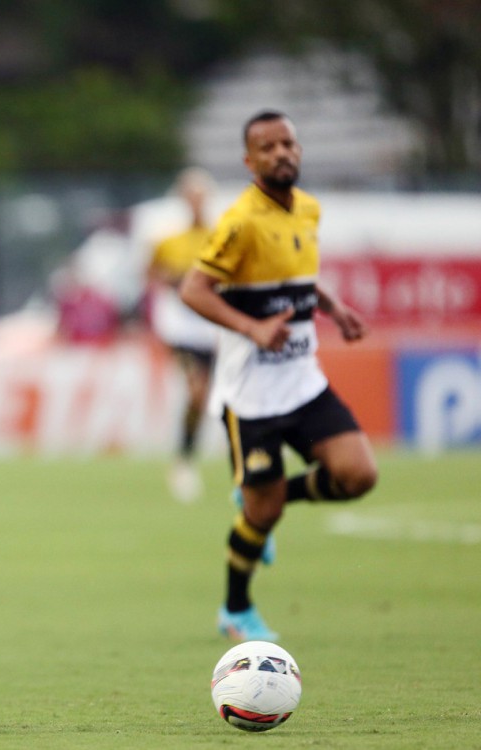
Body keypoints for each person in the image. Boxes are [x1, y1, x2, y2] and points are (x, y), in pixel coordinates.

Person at [179, 110, 379, 642]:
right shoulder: (241, 221)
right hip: (253, 396)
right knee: (260, 517)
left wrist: (334, 308)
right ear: (249, 161)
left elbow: (299, 279)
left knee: (359, 475)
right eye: (267, 148)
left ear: (299, 149)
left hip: (304, 381)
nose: (280, 153)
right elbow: (193, 290)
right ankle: (235, 607)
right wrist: (253, 328)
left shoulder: (308, 210)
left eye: (287, 143)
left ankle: (263, 497)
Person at [145, 168, 220, 502]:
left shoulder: (221, 239)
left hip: (211, 327)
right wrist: (173, 280)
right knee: (197, 392)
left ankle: (188, 457)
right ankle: (184, 463)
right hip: (180, 327)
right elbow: (150, 274)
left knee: (204, 399)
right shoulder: (168, 240)